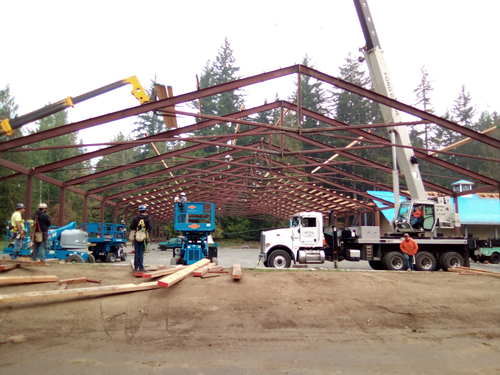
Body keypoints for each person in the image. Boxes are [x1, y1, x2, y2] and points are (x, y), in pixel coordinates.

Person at [129, 205, 153, 272]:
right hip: (143, 237)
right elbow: (150, 228)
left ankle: (136, 268)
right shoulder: (148, 219)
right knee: (141, 252)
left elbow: (131, 227)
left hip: (136, 236)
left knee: (136, 252)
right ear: (145, 211)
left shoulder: (135, 218)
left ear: (139, 211)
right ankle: (141, 267)